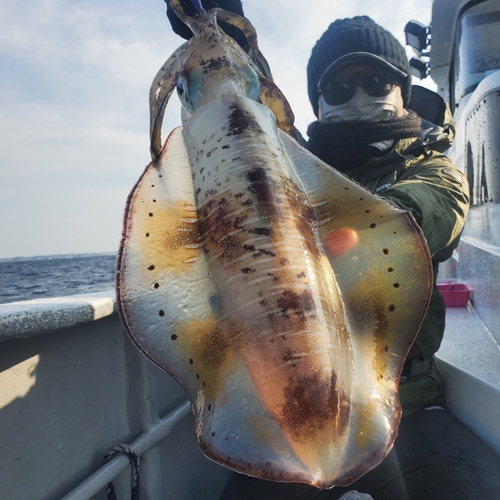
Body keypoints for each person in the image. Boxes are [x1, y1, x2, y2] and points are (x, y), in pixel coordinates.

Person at [166, 6, 500, 498]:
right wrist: (229, 31)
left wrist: (344, 233)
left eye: (374, 82)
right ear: (317, 104)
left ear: (402, 92)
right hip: (290, 411)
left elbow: (423, 215)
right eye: (340, 89)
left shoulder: (435, 170)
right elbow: (253, 132)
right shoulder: (288, 170)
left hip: (406, 404)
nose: (358, 96)